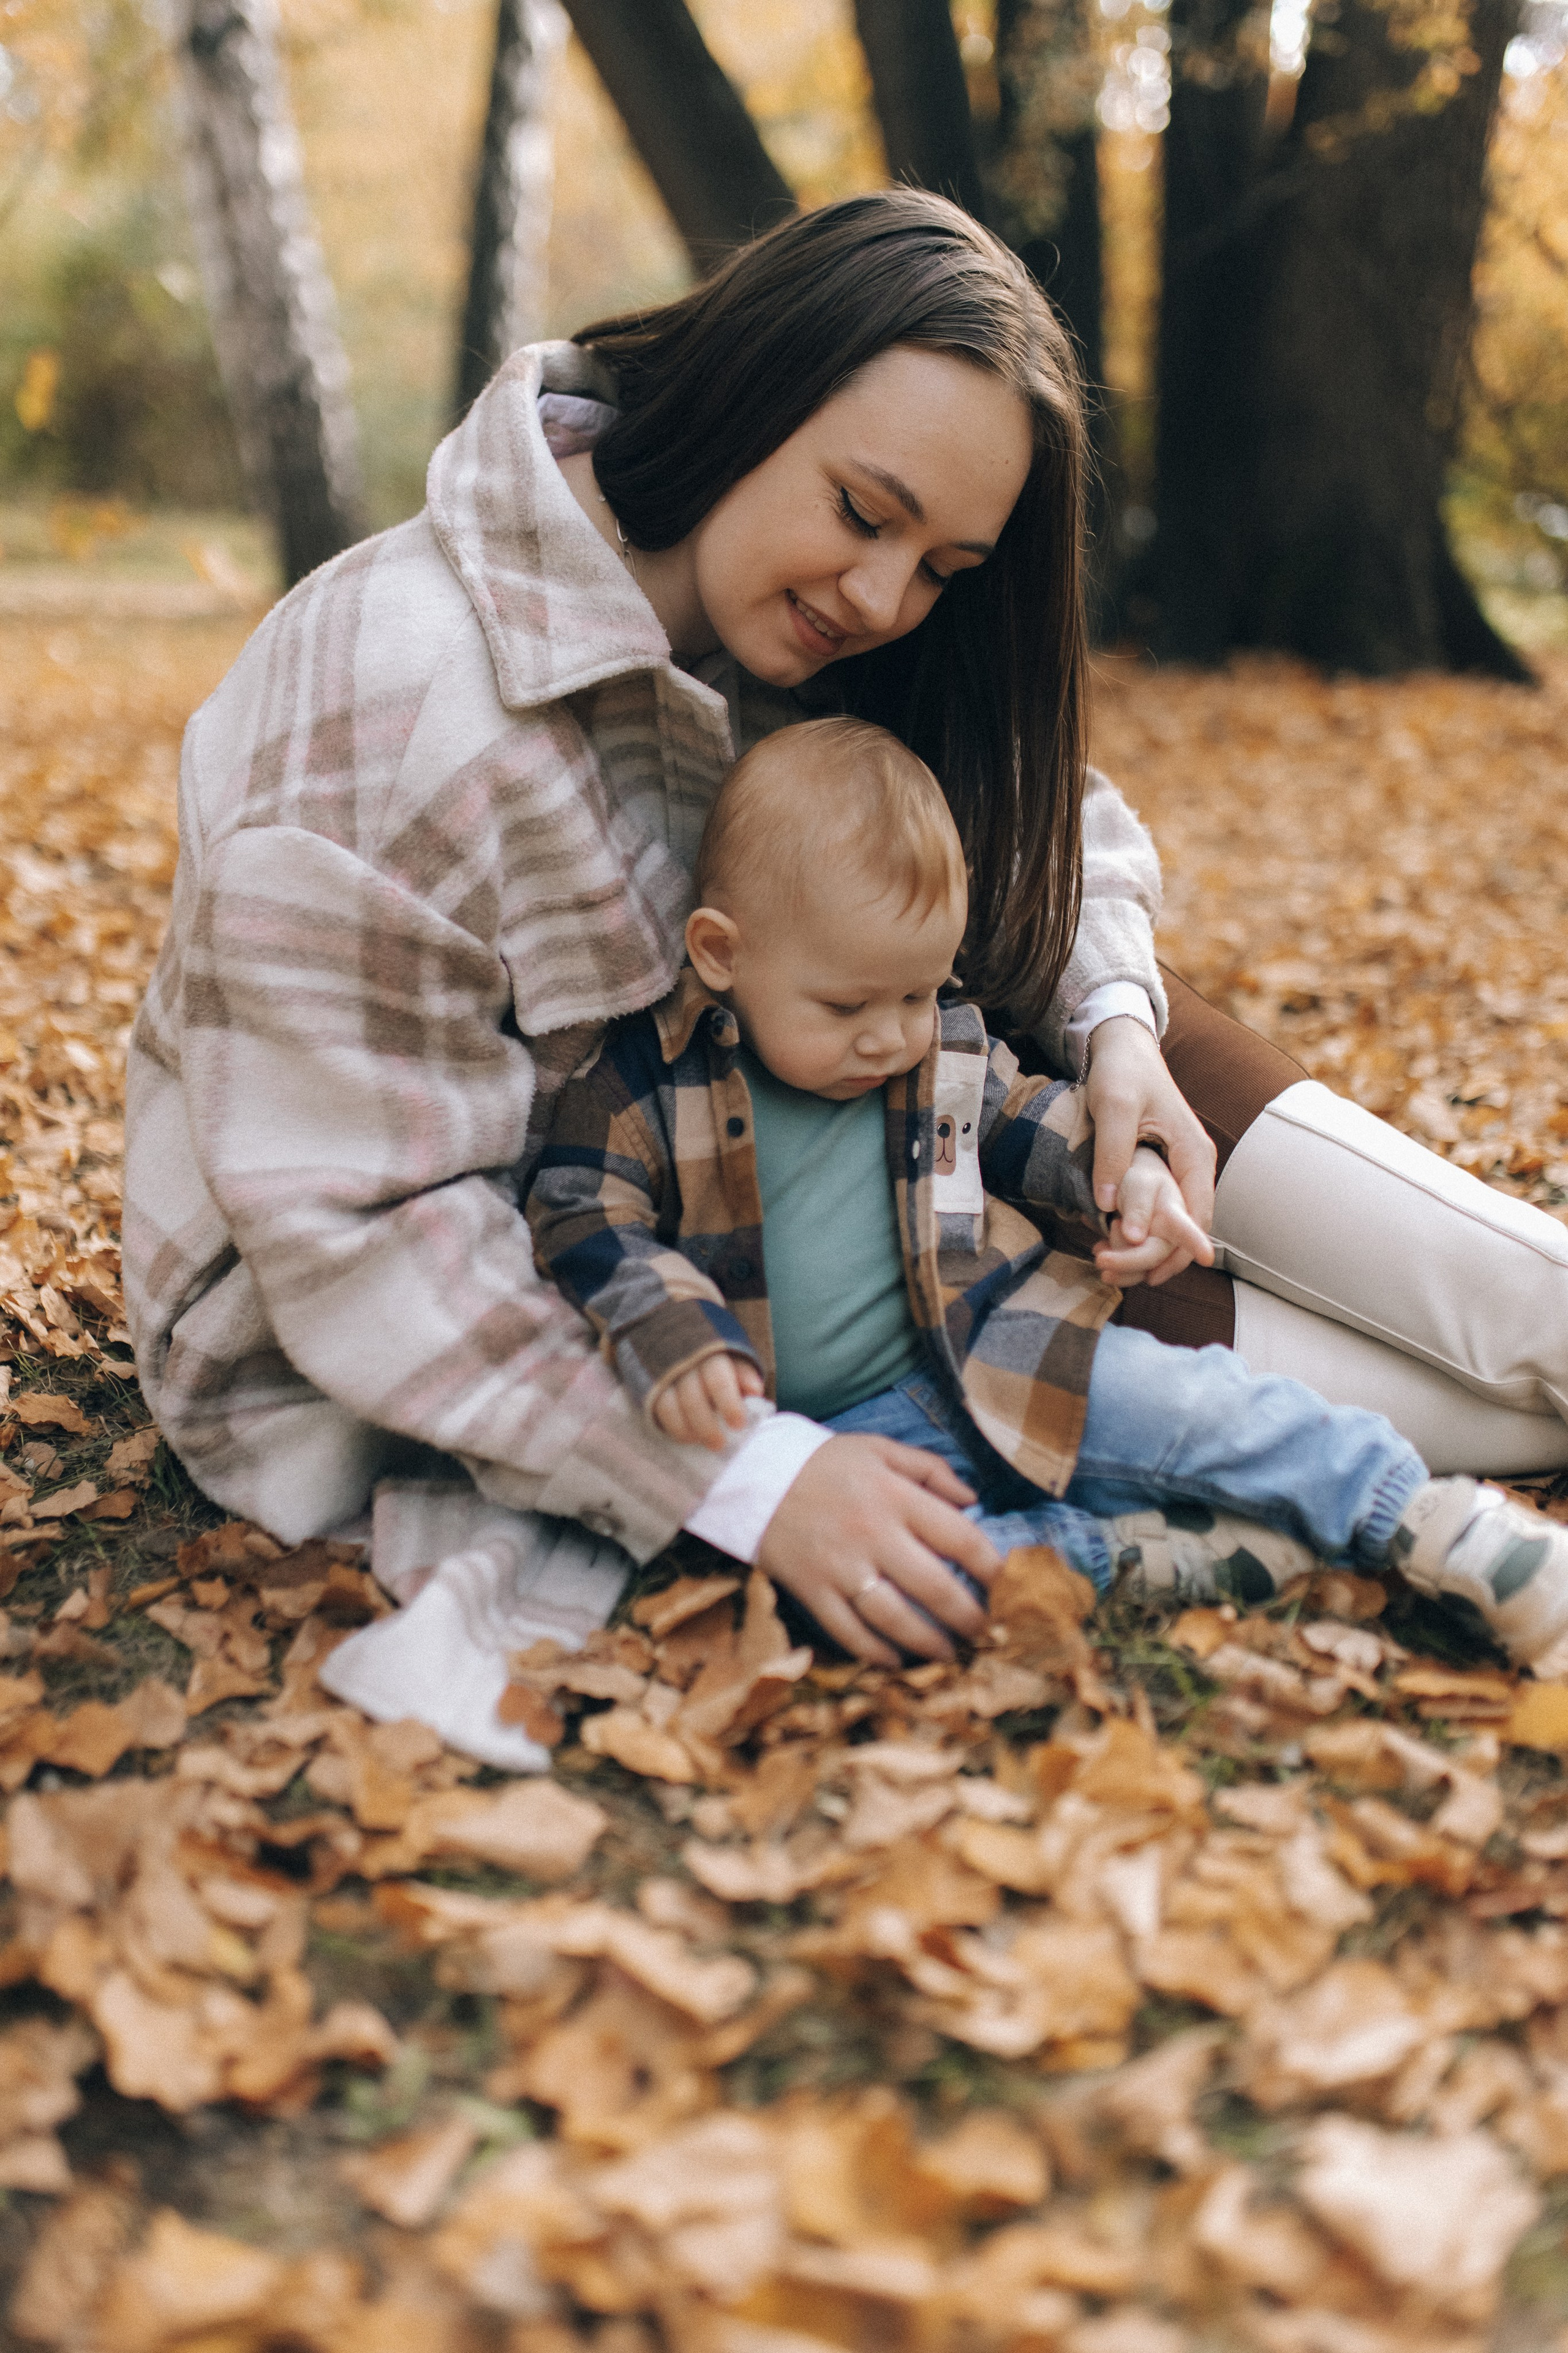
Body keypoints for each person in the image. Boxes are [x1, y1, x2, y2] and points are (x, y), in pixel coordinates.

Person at [123, 189, 1568, 1657]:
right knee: (1496, 1399)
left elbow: (1044, 821)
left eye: (943, 569)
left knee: (1512, 1306)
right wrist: (754, 1482)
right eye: (863, 513)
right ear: (753, 387)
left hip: (896, 1141)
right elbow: (365, 1233)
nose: (884, 597)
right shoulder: (399, 694)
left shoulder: (790, 612)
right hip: (659, 1301)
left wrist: (1117, 1032)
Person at [526, 718, 1568, 1671]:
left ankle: (1428, 1519)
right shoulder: (644, 1088)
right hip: (850, 1447)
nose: (892, 1035)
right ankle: (1144, 1555)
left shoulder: (932, 1051)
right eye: (849, 1004)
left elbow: (1035, 1119)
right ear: (721, 953)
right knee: (885, 1599)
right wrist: (675, 1330)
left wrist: (1135, 1174)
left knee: (1210, 1414)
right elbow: (583, 1213)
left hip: (1016, 1347)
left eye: (917, 993)